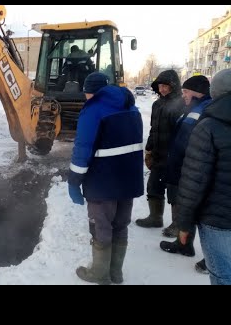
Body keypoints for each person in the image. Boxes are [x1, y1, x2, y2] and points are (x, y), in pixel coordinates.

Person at [68, 72, 144, 285]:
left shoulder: (92, 111)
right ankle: (116, 273)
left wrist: (74, 181)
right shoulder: (132, 108)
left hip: (103, 182)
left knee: (101, 226)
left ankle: (100, 274)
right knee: (120, 225)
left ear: (89, 92)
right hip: (128, 179)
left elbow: (83, 149)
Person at [174, 69, 231, 285]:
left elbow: (194, 182)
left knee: (223, 275)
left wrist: (184, 223)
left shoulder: (209, 126)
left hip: (218, 220)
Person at [159, 75, 212, 264]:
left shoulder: (206, 110)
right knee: (185, 207)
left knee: (204, 213)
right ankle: (184, 244)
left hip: (196, 169)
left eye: (186, 92)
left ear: (198, 92)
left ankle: (213, 258)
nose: (184, 96)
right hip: (183, 167)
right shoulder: (191, 109)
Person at [136, 70, 185, 229]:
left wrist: (178, 154)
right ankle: (155, 218)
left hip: (174, 156)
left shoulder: (181, 104)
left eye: (166, 86)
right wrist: (149, 149)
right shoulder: (157, 104)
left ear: (174, 86)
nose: (162, 89)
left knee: (174, 191)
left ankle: (177, 225)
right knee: (154, 186)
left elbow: (183, 132)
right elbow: (153, 129)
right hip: (158, 154)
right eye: (160, 86)